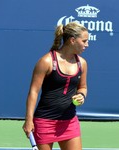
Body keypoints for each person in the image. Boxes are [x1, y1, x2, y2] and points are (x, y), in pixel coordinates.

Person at [23, 22, 89, 150]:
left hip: (70, 122)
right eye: (84, 41)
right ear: (72, 40)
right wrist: (29, 120)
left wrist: (81, 95)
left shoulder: (82, 63)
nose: (87, 44)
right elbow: (33, 92)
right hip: (44, 123)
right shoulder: (46, 61)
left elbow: (83, 87)